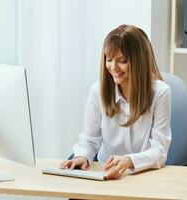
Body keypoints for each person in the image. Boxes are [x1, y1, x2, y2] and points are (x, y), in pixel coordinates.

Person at [60, 24, 171, 180]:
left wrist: (129, 160)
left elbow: (159, 151)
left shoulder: (160, 93)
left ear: (139, 61)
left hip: (143, 175)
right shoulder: (97, 91)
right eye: (109, 59)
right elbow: (89, 139)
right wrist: (82, 156)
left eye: (122, 60)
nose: (113, 67)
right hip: (105, 173)